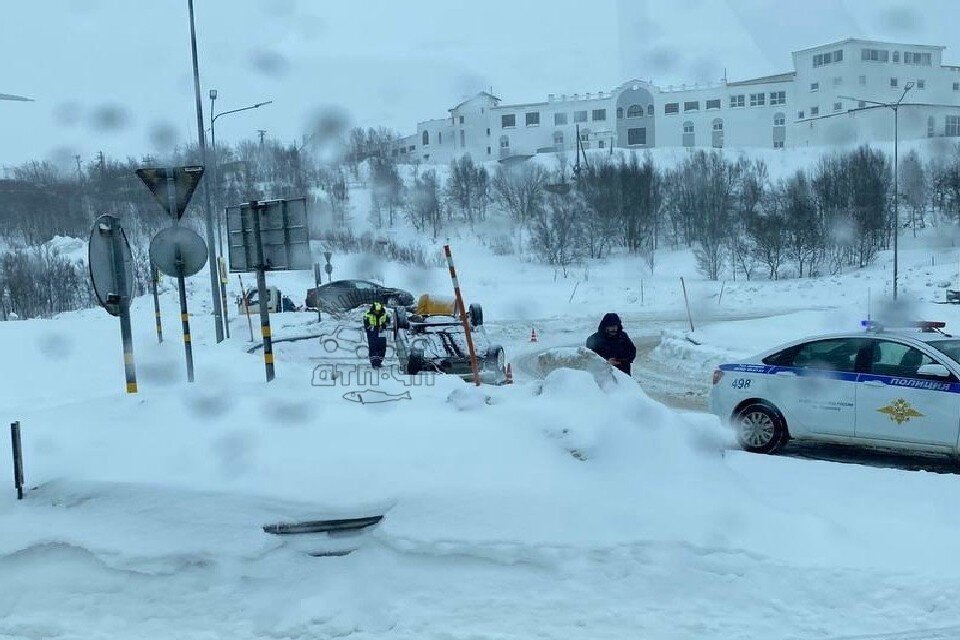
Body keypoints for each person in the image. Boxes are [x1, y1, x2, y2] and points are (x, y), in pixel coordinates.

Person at [362, 302, 390, 368]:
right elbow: (365, 322)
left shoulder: (384, 314)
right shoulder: (367, 314)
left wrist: (384, 324)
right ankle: (374, 363)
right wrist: (368, 326)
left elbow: (388, 321)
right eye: (376, 310)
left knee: (382, 346)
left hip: (381, 331)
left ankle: (379, 361)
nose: (377, 312)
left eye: (378, 310)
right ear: (373, 309)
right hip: (372, 331)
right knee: (373, 346)